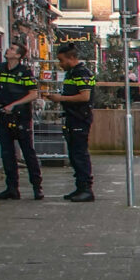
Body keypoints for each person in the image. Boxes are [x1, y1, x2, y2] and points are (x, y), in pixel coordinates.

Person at [0, 43, 44, 200]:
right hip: (3, 117)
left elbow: (33, 94)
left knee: (28, 153)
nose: (8, 50)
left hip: (21, 118)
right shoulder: (0, 69)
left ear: (19, 56)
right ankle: (12, 188)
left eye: (12, 49)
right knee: (7, 154)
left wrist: (14, 105)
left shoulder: (25, 72)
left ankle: (37, 187)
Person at [48, 42, 97, 202]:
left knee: (80, 154)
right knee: (74, 155)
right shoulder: (71, 73)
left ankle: (86, 189)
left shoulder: (82, 73)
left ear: (71, 58)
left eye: (62, 61)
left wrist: (60, 98)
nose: (60, 64)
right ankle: (79, 187)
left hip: (80, 118)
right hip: (72, 117)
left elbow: (84, 96)